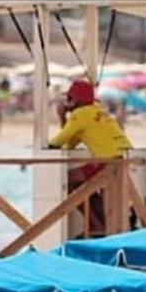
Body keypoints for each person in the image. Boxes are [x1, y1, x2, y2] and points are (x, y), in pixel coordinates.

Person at [48, 79, 133, 234]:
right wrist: (64, 119)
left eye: (69, 99)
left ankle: (96, 226)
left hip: (106, 163)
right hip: (120, 159)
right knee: (81, 186)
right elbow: (70, 142)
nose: (67, 102)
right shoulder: (96, 111)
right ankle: (101, 225)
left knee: (65, 181)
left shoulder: (80, 115)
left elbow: (57, 142)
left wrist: (61, 115)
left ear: (75, 100)